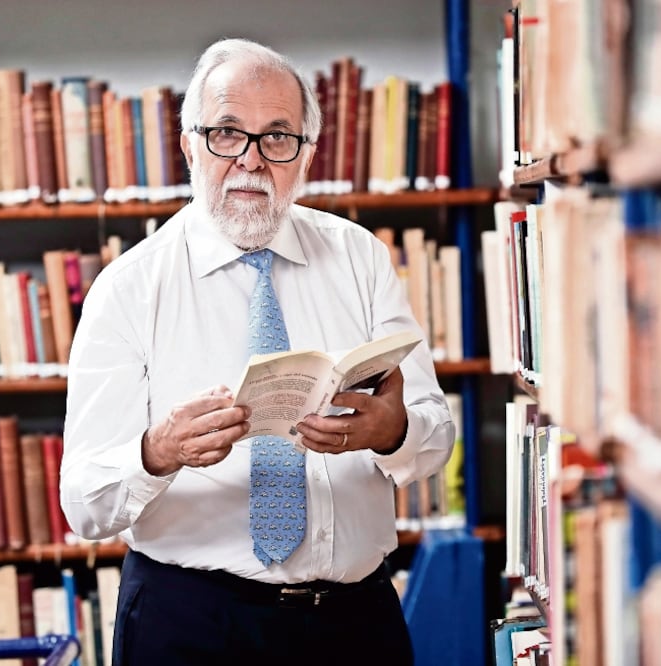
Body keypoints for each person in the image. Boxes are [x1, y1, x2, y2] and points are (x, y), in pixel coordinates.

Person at [60, 37, 455, 666]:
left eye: (277, 137)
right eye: (226, 133)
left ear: (306, 155)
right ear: (189, 145)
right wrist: (158, 452)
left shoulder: (360, 258)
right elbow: (84, 504)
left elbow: (436, 436)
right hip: (190, 625)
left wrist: (394, 431)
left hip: (354, 623)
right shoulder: (128, 287)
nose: (250, 159)